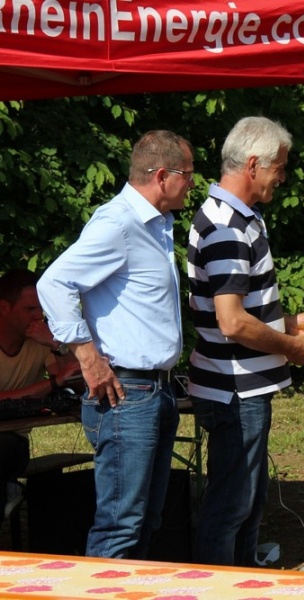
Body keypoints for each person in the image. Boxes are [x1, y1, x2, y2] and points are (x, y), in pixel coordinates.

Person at [37, 130, 194, 559]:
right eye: (188, 173)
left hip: (153, 391)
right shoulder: (119, 222)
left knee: (146, 521)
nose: (193, 182)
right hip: (127, 393)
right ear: (162, 176)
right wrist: (87, 356)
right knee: (121, 526)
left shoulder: (155, 225)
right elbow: (54, 283)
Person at [187, 116, 304, 567]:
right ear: (252, 165)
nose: (282, 176)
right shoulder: (227, 224)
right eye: (278, 167)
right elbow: (232, 322)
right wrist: (291, 346)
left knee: (246, 502)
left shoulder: (238, 218)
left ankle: (242, 581)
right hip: (234, 389)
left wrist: (288, 321)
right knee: (231, 506)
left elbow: (240, 311)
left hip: (238, 386)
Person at [0, 269, 80, 523]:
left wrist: (57, 345)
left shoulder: (39, 340)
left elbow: (76, 382)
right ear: (4, 308)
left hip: (12, 443)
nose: (39, 317)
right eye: (30, 309)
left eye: (41, 309)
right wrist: (52, 383)